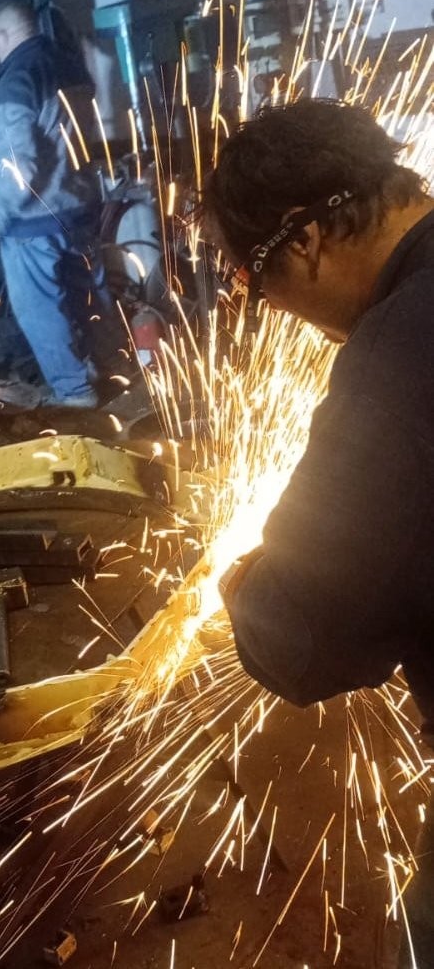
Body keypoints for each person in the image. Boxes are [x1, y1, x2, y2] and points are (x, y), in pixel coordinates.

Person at [203, 98, 434, 965]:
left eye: (256, 288)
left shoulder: (395, 359)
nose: (276, 314)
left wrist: (245, 588)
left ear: (301, 241)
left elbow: (311, 622)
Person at [0, 2, 129, 406]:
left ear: (4, 36)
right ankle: (116, 373)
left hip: (31, 222)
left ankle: (76, 396)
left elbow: (16, 168)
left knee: (41, 311)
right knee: (90, 297)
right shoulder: (69, 65)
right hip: (78, 208)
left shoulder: (14, 83)